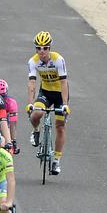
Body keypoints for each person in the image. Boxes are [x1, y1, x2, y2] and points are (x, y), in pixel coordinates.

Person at [26, 30, 69, 175]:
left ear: (49, 47)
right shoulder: (33, 61)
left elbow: (64, 83)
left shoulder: (58, 60)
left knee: (60, 127)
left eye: (45, 48)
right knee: (36, 113)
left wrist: (65, 104)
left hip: (59, 94)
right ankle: (36, 131)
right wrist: (30, 103)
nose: (42, 51)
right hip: (45, 92)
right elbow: (32, 83)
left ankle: (56, 161)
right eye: (38, 48)